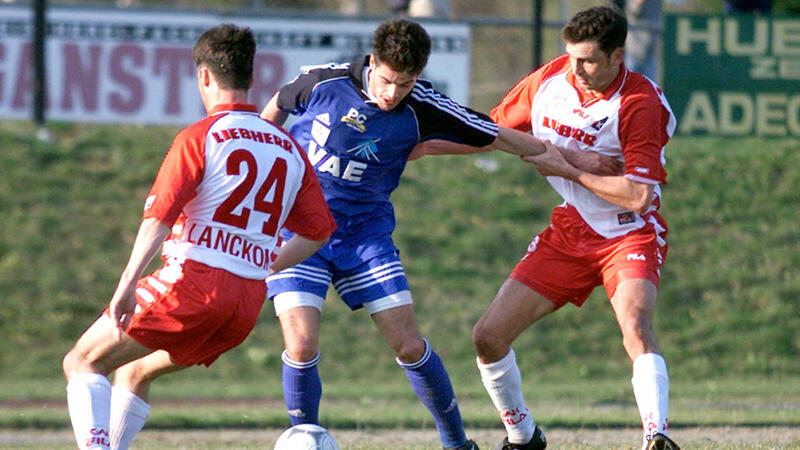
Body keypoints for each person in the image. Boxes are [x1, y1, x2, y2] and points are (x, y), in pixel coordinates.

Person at [260, 17, 581, 450]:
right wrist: (265, 168)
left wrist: (567, 162)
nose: (393, 94)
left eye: (406, 84)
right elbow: (275, 108)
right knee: (300, 346)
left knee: (409, 346)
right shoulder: (322, 81)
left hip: (364, 235)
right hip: (297, 230)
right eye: (388, 80)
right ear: (373, 62)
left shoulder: (423, 106)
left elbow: (496, 136)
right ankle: (307, 438)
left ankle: (457, 444)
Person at [61, 23, 336, 450]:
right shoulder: (288, 147)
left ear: (204, 76)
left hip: (193, 286)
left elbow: (158, 216)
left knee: (82, 361)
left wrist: (127, 285)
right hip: (243, 303)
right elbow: (318, 231)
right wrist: (262, 263)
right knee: (133, 371)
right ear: (250, 77)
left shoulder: (200, 137)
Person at [469, 6, 680, 450]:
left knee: (636, 325)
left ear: (617, 56)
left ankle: (656, 436)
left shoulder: (639, 103)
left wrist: (569, 167)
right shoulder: (551, 79)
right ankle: (523, 436)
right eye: (570, 56)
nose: (576, 68)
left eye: (587, 60)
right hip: (570, 230)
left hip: (629, 232)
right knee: (487, 337)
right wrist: (419, 141)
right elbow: (492, 131)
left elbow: (638, 196)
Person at [625, 0, 662, 80]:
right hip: (634, 50)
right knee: (628, 84)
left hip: (650, 50)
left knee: (650, 85)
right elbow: (634, 10)